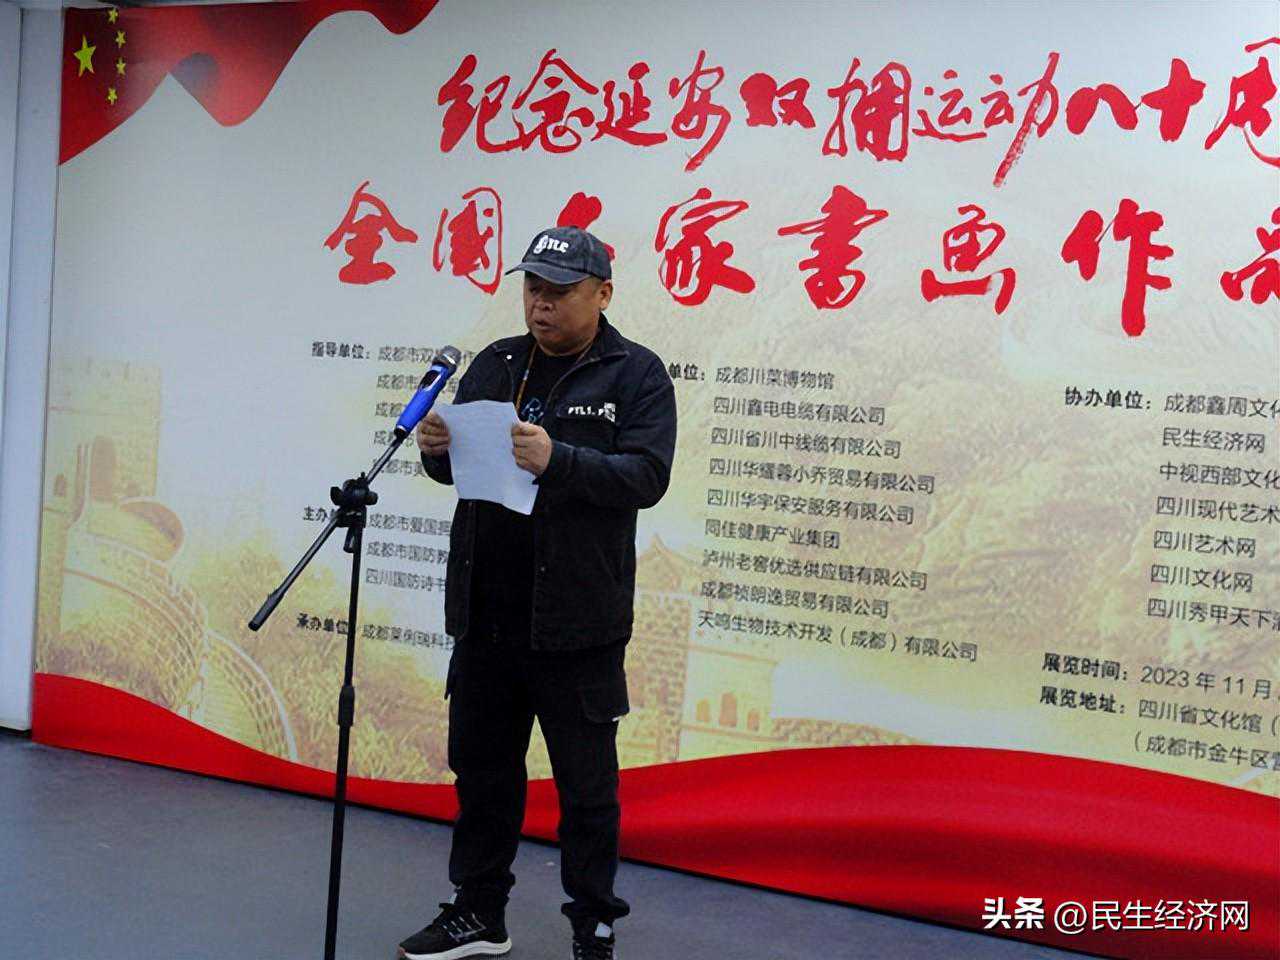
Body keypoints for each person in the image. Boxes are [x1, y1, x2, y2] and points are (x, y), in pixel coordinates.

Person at [398, 226, 677, 960]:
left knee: (586, 790)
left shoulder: (636, 375)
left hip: (577, 623)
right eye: (532, 288)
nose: (540, 304)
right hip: (487, 612)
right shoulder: (496, 363)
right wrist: (437, 453)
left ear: (603, 294)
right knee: (483, 773)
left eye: (559, 291)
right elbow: (466, 473)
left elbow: (647, 477)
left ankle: (594, 925)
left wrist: (561, 460)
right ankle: (478, 911)